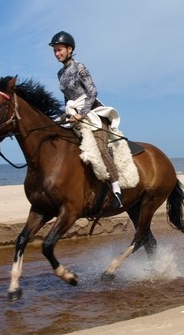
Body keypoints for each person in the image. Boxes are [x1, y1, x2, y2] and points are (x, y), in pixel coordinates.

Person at [49, 31, 123, 208]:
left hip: (93, 111)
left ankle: (117, 190)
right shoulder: (60, 73)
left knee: (100, 148)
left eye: (59, 50)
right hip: (74, 113)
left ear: (69, 49)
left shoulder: (80, 67)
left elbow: (92, 93)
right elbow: (68, 99)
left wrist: (81, 113)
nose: (57, 53)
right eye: (55, 51)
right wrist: (67, 114)